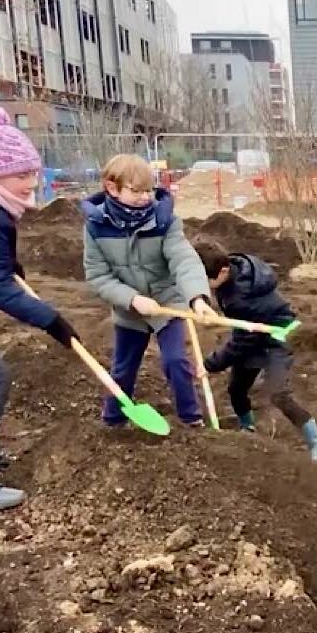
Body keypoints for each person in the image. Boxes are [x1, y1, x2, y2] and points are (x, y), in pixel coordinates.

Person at [0, 106, 80, 511]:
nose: (31, 183)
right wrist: (52, 321)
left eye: (32, 173)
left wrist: (2, 261)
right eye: (22, 175)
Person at [82, 154, 217, 428]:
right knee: (123, 369)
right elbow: (98, 276)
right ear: (112, 187)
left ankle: (191, 420)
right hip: (129, 309)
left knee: (176, 361)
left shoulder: (164, 220)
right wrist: (131, 299)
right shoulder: (96, 227)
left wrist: (197, 297)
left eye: (148, 190)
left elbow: (183, 258)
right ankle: (113, 421)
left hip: (167, 302)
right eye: (136, 191)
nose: (145, 197)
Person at [193, 239, 317, 463]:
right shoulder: (237, 268)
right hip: (253, 332)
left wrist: (211, 364)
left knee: (278, 394)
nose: (206, 286)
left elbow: (242, 342)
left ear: (224, 270)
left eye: (208, 280)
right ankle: (248, 430)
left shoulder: (241, 298)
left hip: (276, 336)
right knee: (237, 388)